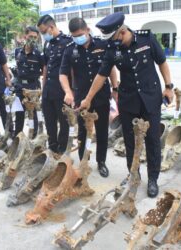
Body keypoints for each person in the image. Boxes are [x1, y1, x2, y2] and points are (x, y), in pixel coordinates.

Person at [80, 12, 174, 198]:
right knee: (130, 141)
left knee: (153, 140)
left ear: (122, 32)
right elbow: (101, 75)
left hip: (150, 98)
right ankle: (134, 175)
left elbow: (162, 62)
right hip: (128, 100)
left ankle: (153, 179)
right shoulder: (112, 48)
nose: (111, 42)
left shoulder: (147, 39)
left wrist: (169, 87)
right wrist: (88, 98)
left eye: (114, 38)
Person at [59, 17, 118, 178]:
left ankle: (101, 162)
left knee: (102, 131)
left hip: (102, 95)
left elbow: (110, 68)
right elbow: (63, 74)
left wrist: (115, 87)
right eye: (74, 35)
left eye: (80, 34)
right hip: (81, 97)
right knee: (83, 131)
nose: (78, 38)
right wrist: (68, 92)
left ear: (87, 30)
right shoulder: (70, 49)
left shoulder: (102, 44)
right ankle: (83, 160)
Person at [37, 15, 73, 154]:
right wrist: (43, 87)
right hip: (48, 91)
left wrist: (71, 91)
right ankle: (52, 148)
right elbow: (46, 67)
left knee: (64, 123)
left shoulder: (68, 43)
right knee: (50, 122)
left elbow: (72, 70)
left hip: (62, 91)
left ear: (51, 27)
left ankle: (62, 150)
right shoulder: (47, 44)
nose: (43, 34)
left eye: (44, 31)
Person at [14, 26, 46, 138]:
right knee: (19, 113)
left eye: (35, 37)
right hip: (19, 87)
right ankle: (17, 137)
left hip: (33, 87)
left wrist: (35, 77)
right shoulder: (18, 51)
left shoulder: (39, 54)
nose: (33, 39)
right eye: (30, 36)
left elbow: (44, 70)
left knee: (34, 114)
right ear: (25, 36)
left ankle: (34, 137)